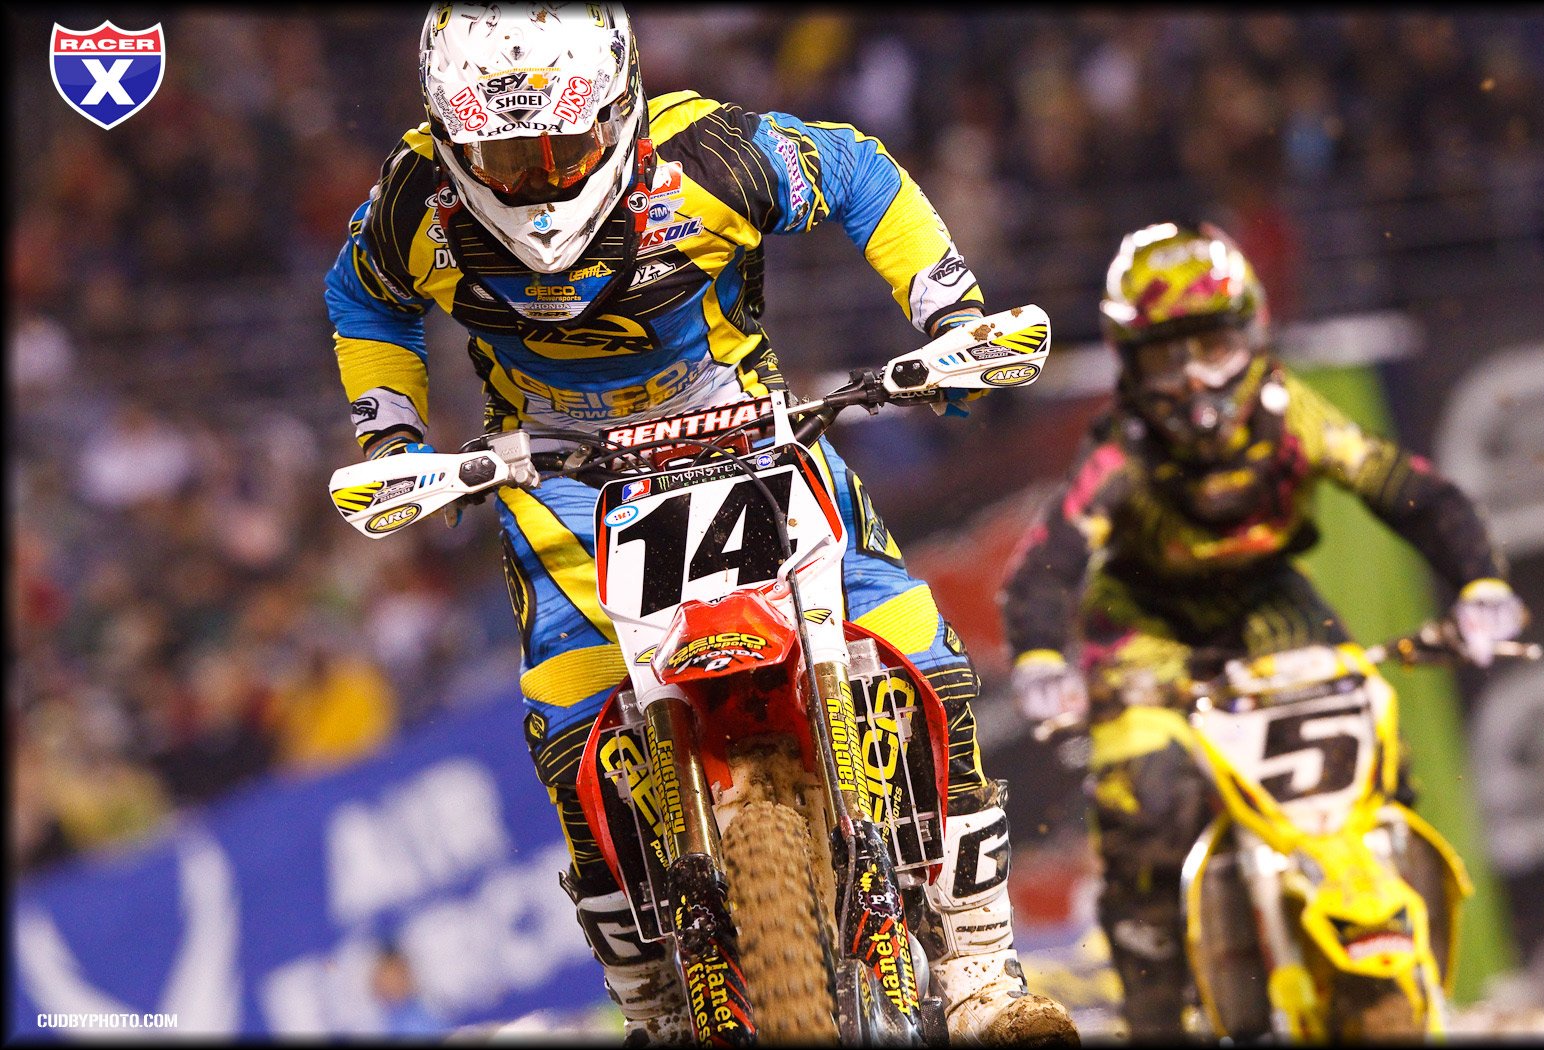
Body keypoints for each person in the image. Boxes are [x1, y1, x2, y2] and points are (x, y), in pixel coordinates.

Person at [323, 4, 1075, 1044]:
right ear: (452, 142)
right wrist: (392, 435)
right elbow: (363, 296)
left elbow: (856, 170)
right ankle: (650, 1007)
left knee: (924, 655)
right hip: (561, 478)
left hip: (750, 433)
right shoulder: (416, 200)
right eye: (504, 156)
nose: (536, 179)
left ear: (619, 109)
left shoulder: (711, 155)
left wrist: (949, 311)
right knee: (573, 735)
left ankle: (984, 975)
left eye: (560, 147)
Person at [998, 221, 1528, 1040]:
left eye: (1212, 346)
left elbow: (1413, 492)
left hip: (1268, 604)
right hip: (1146, 627)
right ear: (1130, 365)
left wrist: (1482, 581)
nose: (1195, 380)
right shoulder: (1119, 455)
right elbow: (1046, 564)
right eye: (1168, 356)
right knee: (1147, 800)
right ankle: (1156, 1020)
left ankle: (1401, 955)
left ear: (1252, 335)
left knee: (1375, 752)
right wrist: (1040, 657)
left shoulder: (1293, 413)